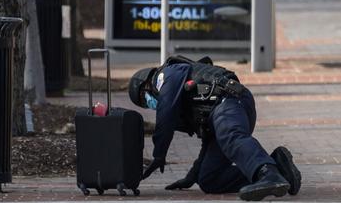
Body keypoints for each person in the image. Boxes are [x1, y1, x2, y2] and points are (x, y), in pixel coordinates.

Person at [129, 56, 302, 201]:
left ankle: (268, 173)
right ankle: (278, 168)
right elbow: (209, 137)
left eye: (144, 100)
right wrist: (193, 175)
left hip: (230, 101)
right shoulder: (181, 99)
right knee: (209, 179)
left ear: (146, 85)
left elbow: (165, 112)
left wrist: (159, 155)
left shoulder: (166, 74)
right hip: (223, 113)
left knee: (230, 136)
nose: (149, 105)